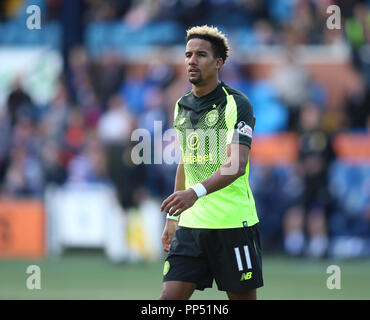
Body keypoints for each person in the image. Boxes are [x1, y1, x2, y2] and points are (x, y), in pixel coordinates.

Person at [159, 25, 263, 300]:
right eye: (188, 54)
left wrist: (194, 193)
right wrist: (173, 217)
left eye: (201, 54)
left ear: (218, 63)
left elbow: (236, 165)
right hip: (192, 228)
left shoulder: (236, 104)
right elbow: (186, 160)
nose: (192, 60)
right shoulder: (181, 105)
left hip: (232, 225)